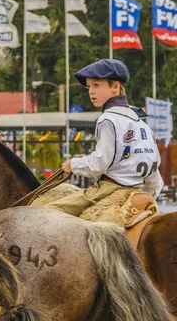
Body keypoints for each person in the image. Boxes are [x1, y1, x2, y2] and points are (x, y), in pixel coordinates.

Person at [45, 59, 163, 217]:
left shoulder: (108, 118)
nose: (90, 91)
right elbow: (154, 175)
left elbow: (100, 163)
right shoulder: (142, 124)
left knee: (47, 211)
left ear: (115, 86)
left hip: (110, 188)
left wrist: (74, 165)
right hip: (138, 191)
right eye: (89, 87)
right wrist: (148, 196)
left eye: (96, 85)